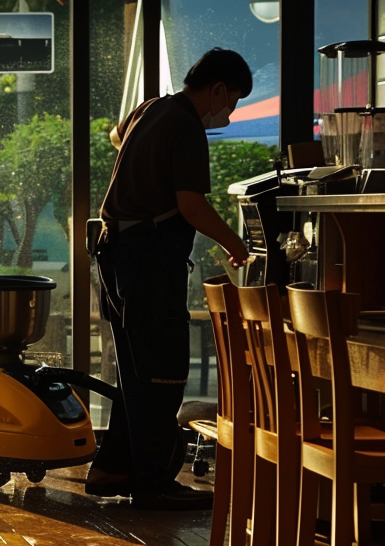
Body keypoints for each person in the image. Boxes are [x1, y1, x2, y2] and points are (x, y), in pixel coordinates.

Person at [87, 47, 252, 510]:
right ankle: (154, 481)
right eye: (233, 100)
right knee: (160, 372)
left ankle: (112, 468)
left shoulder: (153, 107)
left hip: (115, 252)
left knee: (136, 371)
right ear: (217, 89)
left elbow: (117, 136)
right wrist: (236, 246)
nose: (231, 111)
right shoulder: (185, 125)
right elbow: (192, 205)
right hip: (147, 258)